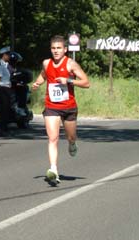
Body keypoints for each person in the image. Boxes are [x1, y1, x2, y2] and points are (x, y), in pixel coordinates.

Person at [31, 35, 90, 184]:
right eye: (53, 48)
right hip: (52, 106)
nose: (56, 51)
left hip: (69, 107)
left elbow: (86, 82)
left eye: (59, 48)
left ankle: (72, 143)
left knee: (70, 136)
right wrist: (37, 83)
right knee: (53, 138)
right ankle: (53, 170)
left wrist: (68, 80)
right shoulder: (46, 63)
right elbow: (43, 75)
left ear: (65, 49)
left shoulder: (71, 64)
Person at [0, 46, 13, 135]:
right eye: (8, 55)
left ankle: (4, 127)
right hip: (2, 89)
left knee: (6, 108)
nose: (9, 57)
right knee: (2, 109)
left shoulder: (5, 65)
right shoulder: (0, 65)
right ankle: (0, 127)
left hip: (6, 88)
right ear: (4, 55)